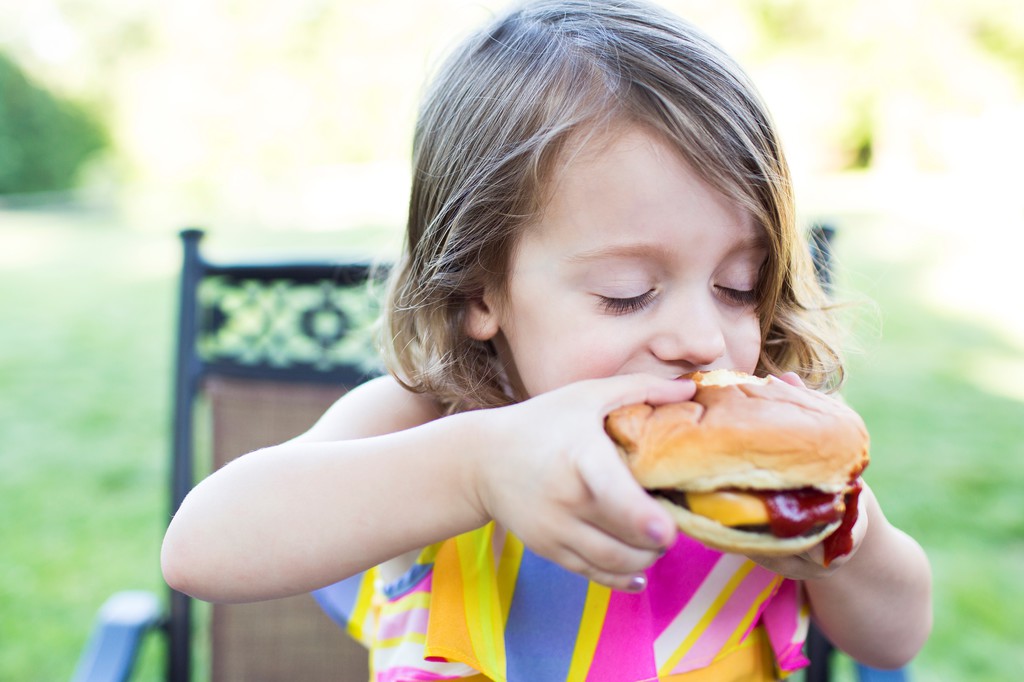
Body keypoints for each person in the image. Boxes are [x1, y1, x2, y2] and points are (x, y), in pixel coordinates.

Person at [161, 0, 932, 679]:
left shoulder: (751, 467)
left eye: (739, 287)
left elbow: (895, 639)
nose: (703, 338)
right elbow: (201, 548)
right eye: (626, 295)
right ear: (478, 289)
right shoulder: (427, 426)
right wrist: (474, 471)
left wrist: (846, 544)